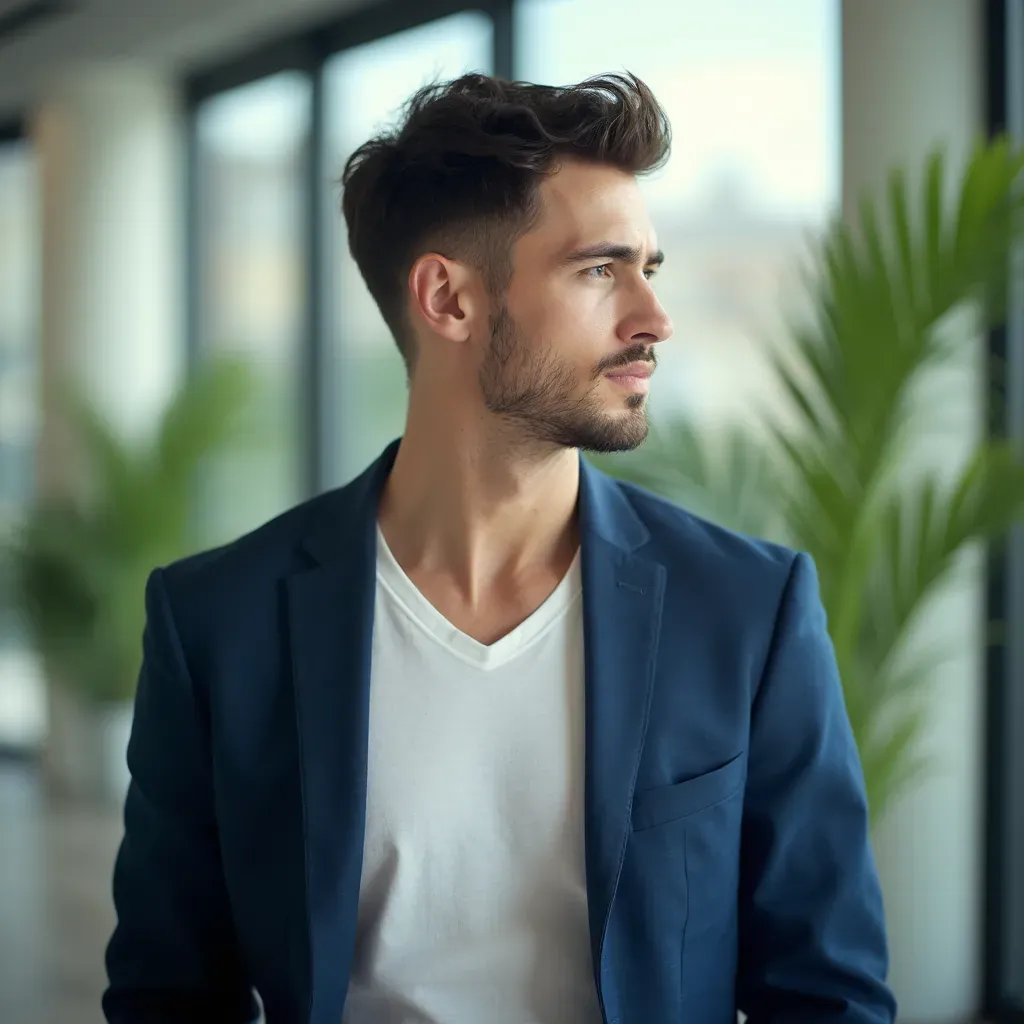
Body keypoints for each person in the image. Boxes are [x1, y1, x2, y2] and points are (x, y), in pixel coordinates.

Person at [103, 72, 896, 1024]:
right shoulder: (217, 626)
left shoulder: (747, 610)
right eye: (601, 270)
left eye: (650, 267)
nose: (654, 317)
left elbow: (825, 994)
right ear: (448, 298)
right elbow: (167, 995)